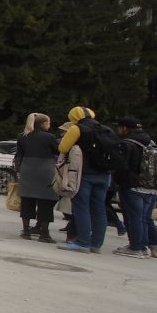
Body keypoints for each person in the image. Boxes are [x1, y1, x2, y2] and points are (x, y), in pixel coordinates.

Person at [57, 106, 116, 254]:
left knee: (81, 207)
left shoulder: (77, 129)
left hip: (84, 174)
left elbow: (63, 148)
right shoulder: (106, 129)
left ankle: (82, 242)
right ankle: (96, 244)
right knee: (99, 209)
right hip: (104, 175)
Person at [111, 117, 157, 257]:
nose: (118, 130)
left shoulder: (127, 144)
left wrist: (120, 181)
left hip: (132, 186)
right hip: (150, 186)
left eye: (119, 127)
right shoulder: (150, 142)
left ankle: (136, 247)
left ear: (125, 128)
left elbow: (121, 166)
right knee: (144, 218)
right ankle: (146, 246)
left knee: (134, 218)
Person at [13, 113, 59, 242]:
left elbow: (19, 155)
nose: (50, 125)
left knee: (27, 200)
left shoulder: (22, 136)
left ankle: (26, 231)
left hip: (27, 169)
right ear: (43, 124)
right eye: (48, 123)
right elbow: (58, 151)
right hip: (45, 170)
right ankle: (44, 233)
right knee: (46, 201)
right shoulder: (49, 137)